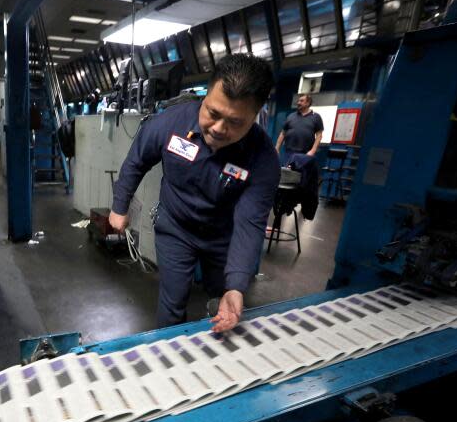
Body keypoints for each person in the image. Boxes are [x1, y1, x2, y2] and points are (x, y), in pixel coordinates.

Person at [108, 54, 279, 333]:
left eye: (235, 122)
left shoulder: (263, 158)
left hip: (222, 237)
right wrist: (119, 205)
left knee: (222, 299)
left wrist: (236, 286)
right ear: (206, 96)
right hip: (176, 228)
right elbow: (137, 159)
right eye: (213, 113)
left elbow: (250, 222)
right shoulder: (169, 124)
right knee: (173, 302)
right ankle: (166, 357)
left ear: (256, 115)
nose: (219, 129)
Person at [275, 93, 323, 162]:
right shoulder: (291, 116)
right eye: (298, 101)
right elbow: (283, 133)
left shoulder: (316, 117)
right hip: (289, 153)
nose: (298, 103)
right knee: (287, 172)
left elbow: (319, 135)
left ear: (308, 103)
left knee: (301, 172)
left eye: (301, 101)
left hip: (305, 154)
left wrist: (313, 151)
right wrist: (277, 148)